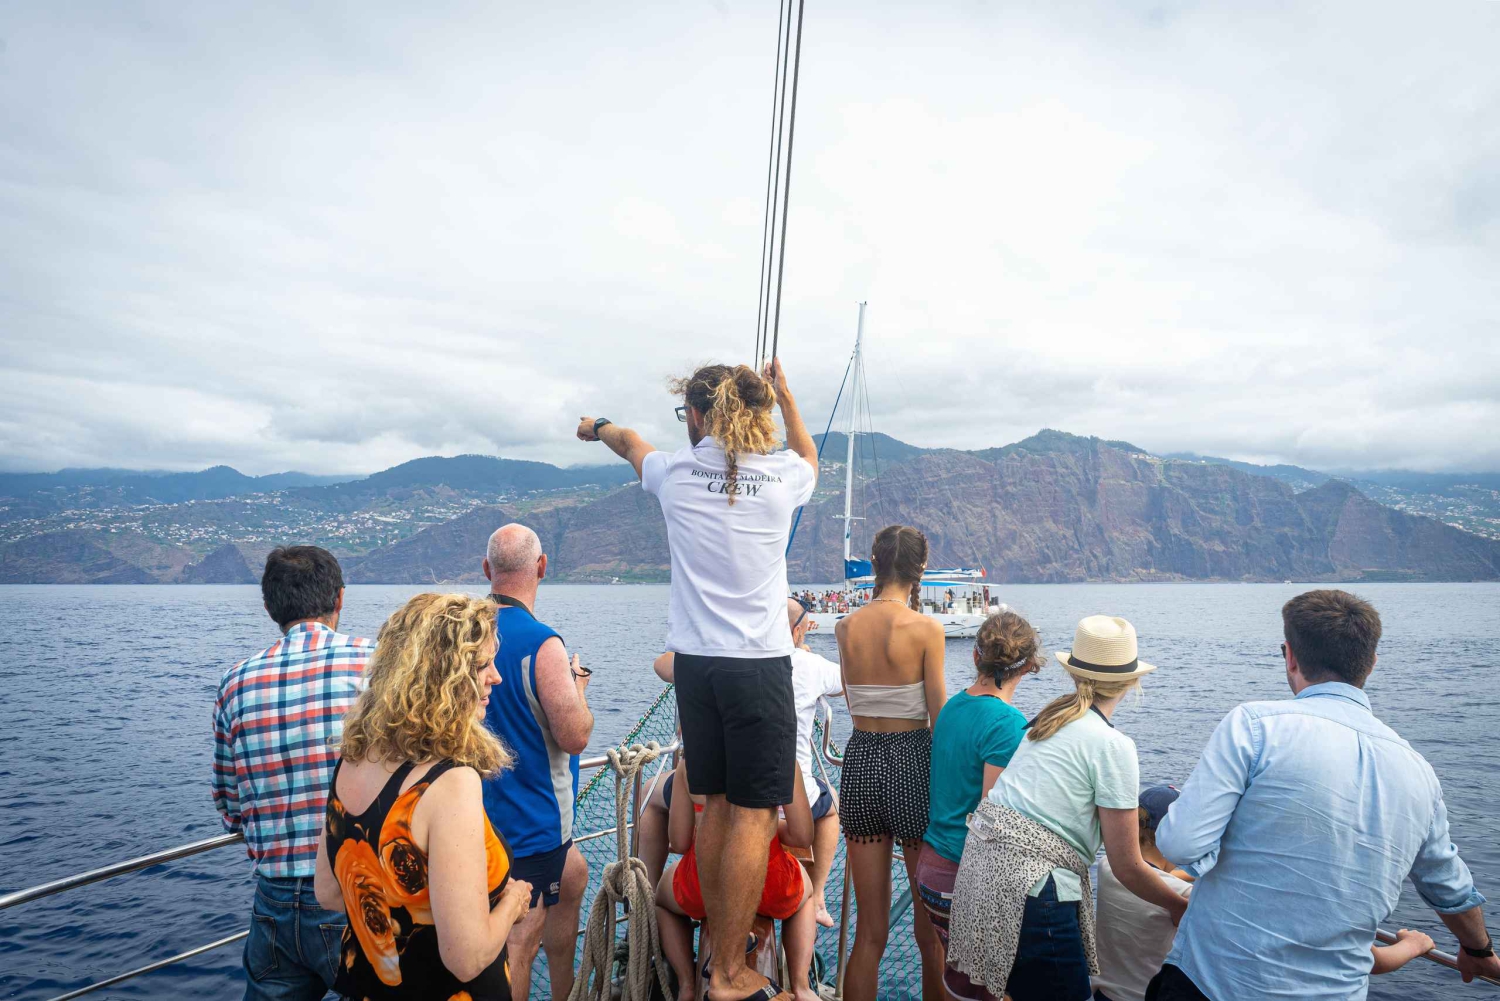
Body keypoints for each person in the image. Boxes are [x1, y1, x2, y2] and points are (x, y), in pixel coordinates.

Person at [577, 358, 817, 1001]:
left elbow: (629, 442)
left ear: (700, 415)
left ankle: (717, 962)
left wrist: (595, 425)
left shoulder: (675, 473)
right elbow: (810, 458)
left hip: (697, 667)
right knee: (753, 815)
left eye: (687, 414)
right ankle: (731, 970)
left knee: (713, 806)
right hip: (757, 665)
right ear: (754, 414)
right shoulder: (781, 476)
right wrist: (787, 398)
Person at [1152, 590, 1500, 1000]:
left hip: (1215, 983)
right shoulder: (1418, 772)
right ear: (1370, 663)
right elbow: (1449, 886)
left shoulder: (1254, 726)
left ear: (1290, 656)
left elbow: (1180, 842)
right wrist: (1479, 950)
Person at [948, 615, 1187, 1001]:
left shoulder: (1048, 720)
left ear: (1075, 674)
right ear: (1130, 682)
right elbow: (1126, 865)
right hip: (1031, 889)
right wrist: (1178, 906)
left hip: (985, 874)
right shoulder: (1113, 746)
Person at [313, 592, 533, 1001]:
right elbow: (466, 958)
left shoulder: (353, 758)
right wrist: (513, 904)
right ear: (445, 676)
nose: (496, 677)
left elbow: (327, 892)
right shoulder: (450, 782)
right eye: (483, 665)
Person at [1093, 785, 1437, 1001]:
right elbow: (1371, 962)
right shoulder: (1180, 894)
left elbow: (1163, 877)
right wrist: (1416, 944)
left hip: (1108, 992)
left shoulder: (1113, 867)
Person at [213, 545, 372, 1001]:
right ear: (340, 598)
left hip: (275, 904)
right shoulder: (378, 665)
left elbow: (229, 804)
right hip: (358, 894)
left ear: (269, 607)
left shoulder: (235, 682)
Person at [478, 523, 593, 1001]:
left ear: (487, 570)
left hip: (476, 816)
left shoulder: (466, 633)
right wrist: (579, 691)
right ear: (541, 567)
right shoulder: (543, 644)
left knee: (575, 873)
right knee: (521, 942)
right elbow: (575, 736)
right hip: (530, 823)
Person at [834, 525, 947, 1001]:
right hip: (912, 762)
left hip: (861, 761)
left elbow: (852, 698)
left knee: (869, 933)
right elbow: (939, 718)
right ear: (920, 570)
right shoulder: (926, 629)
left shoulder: (845, 627)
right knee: (931, 934)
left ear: (874, 564)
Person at [917, 610, 1041, 1001]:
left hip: (931, 870)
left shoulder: (953, 707)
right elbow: (993, 820)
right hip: (964, 879)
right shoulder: (1007, 724)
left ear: (975, 658)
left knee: (963, 984)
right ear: (1030, 667)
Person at [654, 754, 819, 1001]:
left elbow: (678, 841)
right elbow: (802, 836)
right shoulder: (781, 758)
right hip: (768, 883)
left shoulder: (689, 766)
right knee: (806, 894)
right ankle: (801, 986)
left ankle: (687, 985)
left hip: (704, 886)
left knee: (661, 900)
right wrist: (773, 829)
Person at [1092, 786, 1194, 1001]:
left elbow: (1150, 875)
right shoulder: (1183, 894)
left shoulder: (1107, 867)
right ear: (1171, 835)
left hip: (1105, 993)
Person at [785, 597, 845, 928]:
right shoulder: (810, 666)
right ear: (797, 631)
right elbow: (846, 680)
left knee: (653, 793)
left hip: (736, 797)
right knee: (831, 803)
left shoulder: (738, 659)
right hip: (794, 803)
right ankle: (818, 895)